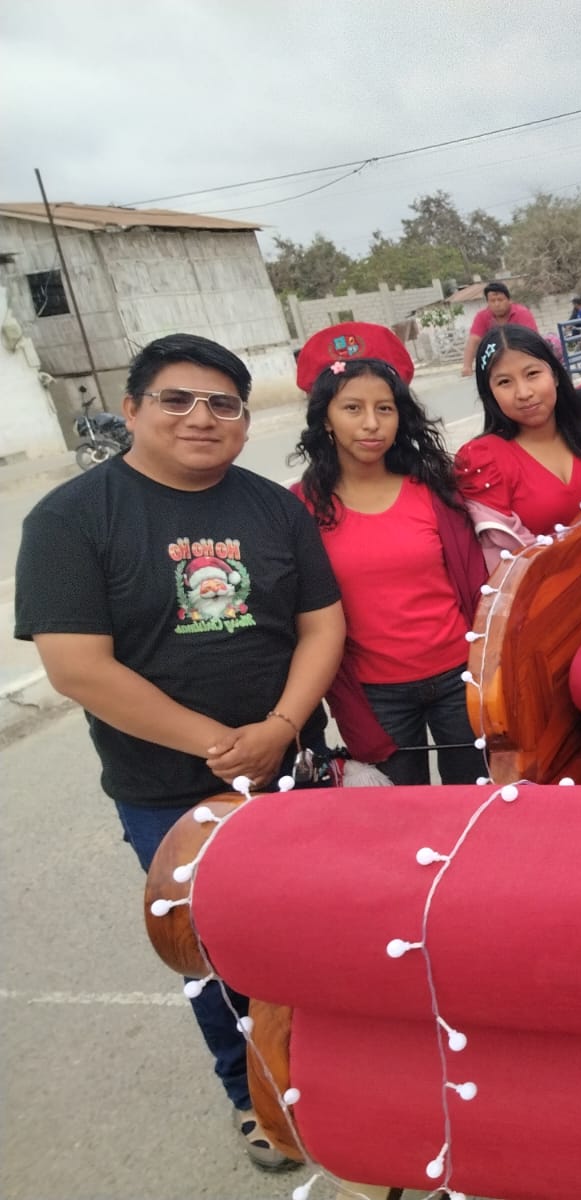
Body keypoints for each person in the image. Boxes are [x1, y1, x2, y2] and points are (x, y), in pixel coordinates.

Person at [13, 334, 345, 1170]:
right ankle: (252, 1091)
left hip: (294, 765)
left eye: (223, 404)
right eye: (177, 399)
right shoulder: (70, 519)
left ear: (244, 420)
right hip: (167, 788)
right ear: (131, 410)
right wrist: (222, 747)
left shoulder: (274, 509)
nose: (202, 417)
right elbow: (77, 667)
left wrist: (280, 727)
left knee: (317, 928)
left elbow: (322, 625)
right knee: (211, 950)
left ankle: (338, 1073)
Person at [290, 323, 488, 787]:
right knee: (397, 808)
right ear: (325, 418)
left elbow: (477, 582)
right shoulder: (300, 507)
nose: (371, 423)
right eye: (352, 408)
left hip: (460, 677)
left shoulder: (435, 489)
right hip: (375, 694)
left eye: (385, 408)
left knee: (474, 796)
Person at [455, 324, 581, 540]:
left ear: (555, 375)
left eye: (532, 374)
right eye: (504, 382)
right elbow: (506, 553)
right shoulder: (484, 460)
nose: (523, 393)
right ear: (490, 393)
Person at [460, 280, 539, 376]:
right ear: (488, 302)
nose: (497, 304)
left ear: (509, 300)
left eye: (500, 300)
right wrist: (467, 366)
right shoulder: (482, 317)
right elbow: (473, 340)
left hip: (522, 357)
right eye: (492, 301)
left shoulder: (522, 313)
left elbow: (533, 339)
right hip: (494, 361)